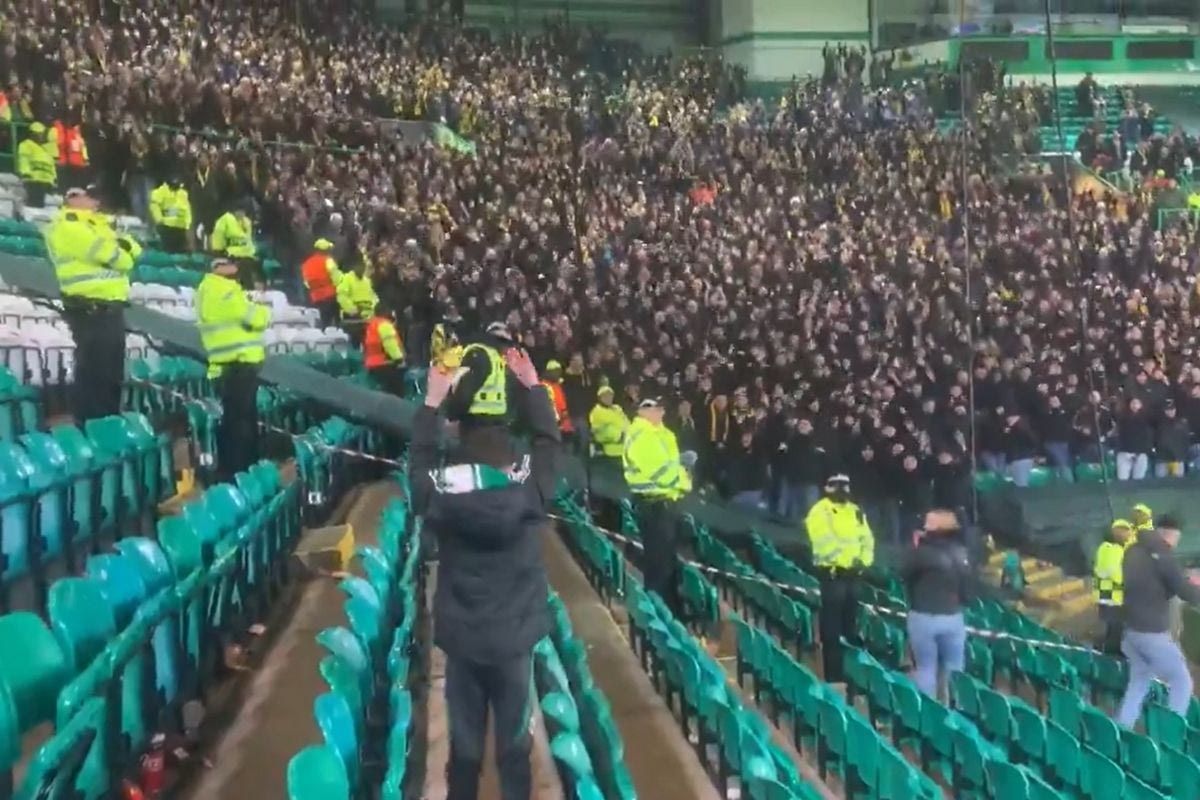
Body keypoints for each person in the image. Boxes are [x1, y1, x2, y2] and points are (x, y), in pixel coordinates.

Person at [409, 350, 559, 800]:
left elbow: (418, 471)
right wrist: (534, 388)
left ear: (459, 419)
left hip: (464, 637)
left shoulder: (443, 485)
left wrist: (430, 404)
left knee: (465, 749)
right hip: (514, 636)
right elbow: (549, 442)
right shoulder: (529, 481)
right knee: (515, 748)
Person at [43, 185, 141, 422]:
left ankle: (109, 423)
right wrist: (120, 250)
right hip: (87, 309)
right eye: (88, 196)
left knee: (112, 375)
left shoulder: (100, 225)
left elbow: (135, 249)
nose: (94, 201)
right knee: (93, 374)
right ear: (72, 198)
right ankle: (90, 426)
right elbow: (114, 256)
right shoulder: (65, 224)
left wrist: (121, 250)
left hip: (112, 309)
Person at [1116, 515, 1200, 727]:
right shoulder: (1163, 555)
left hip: (1130, 631)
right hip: (1150, 633)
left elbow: (1150, 584)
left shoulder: (1132, 550)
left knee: (1139, 680)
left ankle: (1122, 726)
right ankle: (1170, 734)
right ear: (1170, 535)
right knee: (1182, 681)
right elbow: (1184, 591)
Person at [196, 257, 272, 479]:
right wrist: (261, 309)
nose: (235, 268)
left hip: (231, 366)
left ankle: (240, 470)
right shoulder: (223, 290)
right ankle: (238, 472)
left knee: (238, 421)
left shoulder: (213, 289)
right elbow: (256, 318)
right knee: (239, 425)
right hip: (235, 366)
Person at [623, 396, 692, 619]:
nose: (660, 412)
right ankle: (660, 616)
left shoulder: (662, 433)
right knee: (659, 566)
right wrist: (683, 476)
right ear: (642, 411)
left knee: (667, 563)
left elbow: (671, 464)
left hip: (666, 504)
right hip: (654, 506)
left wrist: (681, 471)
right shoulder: (641, 435)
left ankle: (671, 612)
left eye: (661, 408)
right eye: (654, 408)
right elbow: (661, 471)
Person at [806, 474, 874, 683]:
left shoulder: (856, 511)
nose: (842, 490)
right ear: (827, 488)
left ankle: (850, 674)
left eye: (845, 486)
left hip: (853, 576)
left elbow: (867, 539)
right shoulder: (820, 511)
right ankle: (833, 675)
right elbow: (823, 541)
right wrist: (843, 561)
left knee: (850, 627)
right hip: (833, 575)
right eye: (837, 486)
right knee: (832, 630)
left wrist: (863, 561)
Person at [900, 509, 971, 698]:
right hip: (953, 617)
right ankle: (955, 712)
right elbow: (968, 590)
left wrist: (915, 545)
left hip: (923, 617)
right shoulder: (961, 553)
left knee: (925, 669)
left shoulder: (921, 553)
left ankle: (928, 711)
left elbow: (903, 573)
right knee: (955, 672)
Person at [445, 322, 517, 426]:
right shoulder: (483, 355)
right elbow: (465, 390)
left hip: (484, 425)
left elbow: (464, 389)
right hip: (482, 423)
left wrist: (452, 416)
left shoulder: (494, 359)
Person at [1094, 518, 1134, 654]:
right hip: (1114, 597)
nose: (1128, 536)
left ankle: (1104, 651)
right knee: (1117, 629)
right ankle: (1112, 656)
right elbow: (1116, 573)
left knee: (1111, 628)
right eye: (1126, 533)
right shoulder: (1115, 550)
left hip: (1104, 595)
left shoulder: (1103, 548)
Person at [363, 300, 406, 397]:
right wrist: (399, 358)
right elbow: (389, 343)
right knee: (395, 393)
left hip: (372, 364)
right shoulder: (384, 324)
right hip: (386, 363)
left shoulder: (372, 325)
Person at [211, 200, 258, 286]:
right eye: (239, 211)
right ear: (234, 210)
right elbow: (218, 245)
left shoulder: (247, 222)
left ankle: (251, 289)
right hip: (230, 258)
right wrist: (221, 254)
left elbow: (249, 241)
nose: (242, 214)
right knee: (243, 270)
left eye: (243, 211)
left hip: (248, 257)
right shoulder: (224, 221)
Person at [336, 256, 378, 347]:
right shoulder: (347, 278)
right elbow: (342, 296)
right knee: (355, 342)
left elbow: (374, 297)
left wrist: (374, 309)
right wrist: (352, 309)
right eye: (360, 266)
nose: (362, 268)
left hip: (368, 316)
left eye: (364, 266)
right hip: (353, 317)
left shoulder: (367, 281)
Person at [301, 238, 342, 327]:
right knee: (334, 321)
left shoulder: (306, 263)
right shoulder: (328, 261)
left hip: (314, 297)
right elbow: (337, 279)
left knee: (320, 322)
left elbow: (306, 283)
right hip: (329, 295)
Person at [148, 176, 193, 253]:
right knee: (169, 251)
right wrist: (159, 220)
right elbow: (154, 205)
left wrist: (188, 223)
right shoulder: (161, 191)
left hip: (181, 228)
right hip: (167, 227)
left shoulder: (183, 193)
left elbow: (187, 209)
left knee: (180, 251)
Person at [17, 121, 56, 208]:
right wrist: (26, 173)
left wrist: (53, 179)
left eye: (42, 134)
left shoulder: (45, 149)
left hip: (46, 183)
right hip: (34, 182)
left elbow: (51, 165)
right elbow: (24, 159)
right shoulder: (26, 145)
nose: (41, 136)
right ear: (32, 134)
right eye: (39, 134)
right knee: (33, 206)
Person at [589, 384, 628, 466]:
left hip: (628, 447)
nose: (608, 398)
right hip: (612, 451)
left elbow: (626, 422)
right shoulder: (596, 412)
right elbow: (598, 432)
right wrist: (619, 436)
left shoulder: (617, 408)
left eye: (610, 395)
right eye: (605, 396)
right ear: (600, 398)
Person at [539, 360, 574, 439]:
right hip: (550, 423)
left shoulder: (558, 385)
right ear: (549, 372)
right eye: (555, 371)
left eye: (559, 371)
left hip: (562, 423)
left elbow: (562, 404)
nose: (558, 374)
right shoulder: (543, 386)